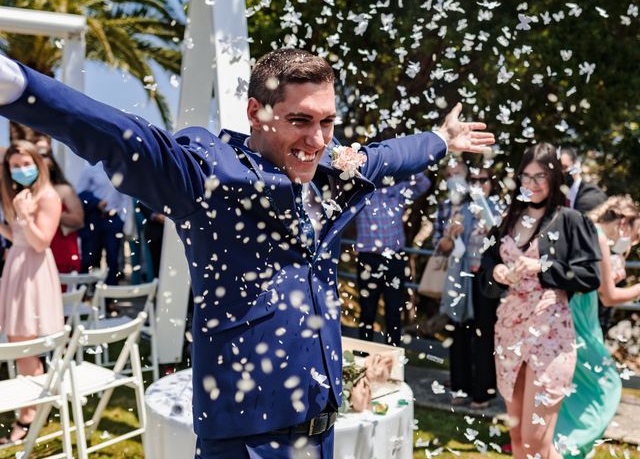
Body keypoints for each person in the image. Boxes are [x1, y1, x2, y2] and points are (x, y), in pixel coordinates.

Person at [0, 48, 493, 459]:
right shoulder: (209, 178)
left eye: (327, 122)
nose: (317, 140)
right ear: (256, 111)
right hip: (247, 440)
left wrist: (441, 141)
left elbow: (388, 157)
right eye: (299, 120)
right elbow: (122, 136)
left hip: (319, 433)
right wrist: (16, 86)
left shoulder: (332, 172)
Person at [479, 142, 601, 459]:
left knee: (537, 442)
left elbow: (590, 276)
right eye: (526, 177)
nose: (531, 185)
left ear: (555, 178)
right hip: (508, 331)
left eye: (540, 177)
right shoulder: (506, 220)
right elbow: (486, 267)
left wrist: (543, 267)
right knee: (518, 438)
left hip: (550, 334)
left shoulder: (571, 220)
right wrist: (498, 272)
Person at [554, 196, 640, 457]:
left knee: (573, 386)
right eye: (636, 235)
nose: (634, 243)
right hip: (578, 319)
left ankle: (559, 442)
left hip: (576, 314)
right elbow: (609, 296)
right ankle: (566, 446)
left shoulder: (584, 229)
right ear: (623, 222)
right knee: (607, 385)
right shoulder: (599, 236)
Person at [0, 141, 63, 444]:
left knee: (27, 347)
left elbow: (40, 242)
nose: (21, 170)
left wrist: (24, 214)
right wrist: (7, 224)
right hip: (16, 265)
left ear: (38, 163)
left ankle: (28, 418)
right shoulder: (16, 196)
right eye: (15, 165)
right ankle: (33, 410)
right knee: (17, 339)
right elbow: (18, 237)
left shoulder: (48, 196)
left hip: (34, 271)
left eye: (26, 163)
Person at [438, 164, 502, 408]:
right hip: (461, 278)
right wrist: (451, 235)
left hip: (487, 281)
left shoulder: (500, 210)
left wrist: (491, 229)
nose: (478, 184)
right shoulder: (460, 209)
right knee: (460, 332)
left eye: (483, 179)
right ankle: (459, 387)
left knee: (484, 334)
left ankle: (483, 392)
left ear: (491, 182)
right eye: (473, 180)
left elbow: (505, 247)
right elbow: (442, 248)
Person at [355, 172, 430, 346]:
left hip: (395, 259)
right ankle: (363, 356)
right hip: (368, 259)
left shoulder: (398, 191)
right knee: (367, 311)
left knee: (394, 310)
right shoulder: (361, 192)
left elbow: (423, 183)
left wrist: (407, 164)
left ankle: (393, 356)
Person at [76, 162, 132, 285]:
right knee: (90, 257)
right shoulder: (90, 168)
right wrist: (96, 202)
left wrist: (122, 218)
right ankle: (86, 291)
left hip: (114, 219)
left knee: (113, 258)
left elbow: (126, 196)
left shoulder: (121, 168)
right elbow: (80, 193)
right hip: (94, 218)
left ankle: (110, 296)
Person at [39, 146, 84, 273]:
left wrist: (51, 214)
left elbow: (78, 220)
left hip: (61, 251)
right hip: (36, 252)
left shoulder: (64, 190)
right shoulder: (26, 192)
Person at [560, 147, 607, 214]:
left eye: (564, 167)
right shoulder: (561, 195)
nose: (561, 172)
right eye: (556, 168)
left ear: (576, 165)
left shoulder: (592, 197)